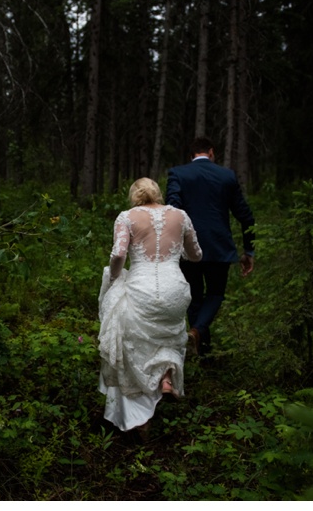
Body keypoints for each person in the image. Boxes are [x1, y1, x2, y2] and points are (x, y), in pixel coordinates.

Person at [98, 177, 202, 435]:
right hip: (175, 289)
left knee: (132, 345)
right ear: (158, 193)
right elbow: (197, 255)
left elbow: (119, 254)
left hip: (141, 289)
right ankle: (166, 379)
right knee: (168, 336)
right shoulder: (180, 215)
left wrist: (113, 279)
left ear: (134, 195)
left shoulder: (126, 217)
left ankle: (138, 417)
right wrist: (177, 253)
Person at [165, 137, 255, 357]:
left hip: (187, 247)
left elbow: (172, 208)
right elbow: (245, 216)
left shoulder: (178, 174)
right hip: (218, 246)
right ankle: (198, 337)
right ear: (212, 152)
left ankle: (200, 346)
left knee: (194, 297)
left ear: (192, 155)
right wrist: (248, 250)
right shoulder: (227, 176)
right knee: (215, 294)